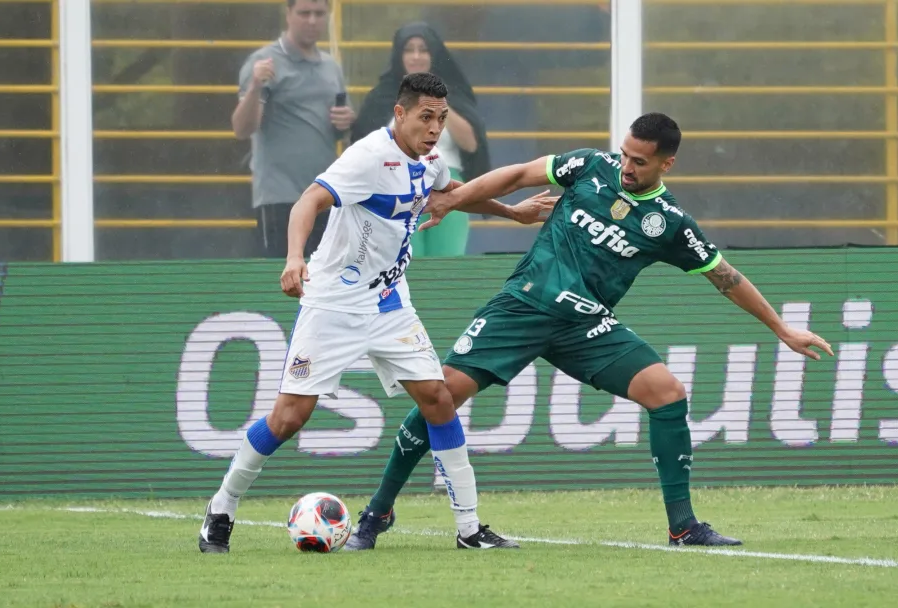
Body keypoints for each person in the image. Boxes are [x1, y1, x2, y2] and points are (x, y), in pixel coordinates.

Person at [344, 113, 835, 551]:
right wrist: (455, 201)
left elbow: (725, 276)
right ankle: (378, 514)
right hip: (523, 306)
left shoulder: (671, 224)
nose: (626, 166)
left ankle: (683, 528)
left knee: (668, 394)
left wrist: (782, 329)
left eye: (640, 161)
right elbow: (516, 176)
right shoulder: (589, 166)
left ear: (667, 164)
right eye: (625, 154)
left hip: (586, 325)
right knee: (440, 398)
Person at [198, 72, 557, 554]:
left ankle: (469, 529)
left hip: (389, 303)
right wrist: (293, 258)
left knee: (439, 398)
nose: (434, 129)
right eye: (426, 117)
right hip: (333, 304)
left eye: (442, 119)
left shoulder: (429, 160)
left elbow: (452, 193)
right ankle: (221, 510)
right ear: (401, 113)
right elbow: (310, 199)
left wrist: (514, 213)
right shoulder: (367, 157)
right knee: (288, 417)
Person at [351, 22, 489, 258]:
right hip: (396, 190)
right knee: (405, 265)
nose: (416, 56)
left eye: (423, 49)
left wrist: (438, 101)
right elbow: (364, 147)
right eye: (409, 49)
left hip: (449, 188)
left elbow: (472, 144)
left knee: (447, 267)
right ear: (399, 55)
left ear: (434, 54)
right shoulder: (382, 97)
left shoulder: (452, 93)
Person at [232, 0, 355, 259]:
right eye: (304, 13)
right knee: (281, 281)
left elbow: (339, 130)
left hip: (324, 195)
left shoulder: (331, 66)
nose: (312, 20)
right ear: (288, 14)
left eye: (319, 14)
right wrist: (255, 86)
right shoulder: (264, 63)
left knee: (325, 281)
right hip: (280, 197)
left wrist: (344, 122)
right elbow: (242, 128)